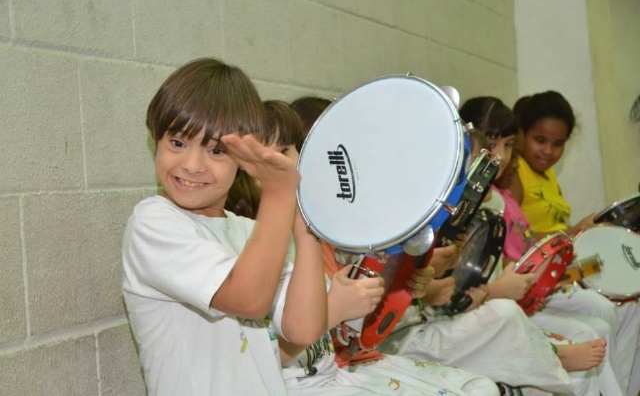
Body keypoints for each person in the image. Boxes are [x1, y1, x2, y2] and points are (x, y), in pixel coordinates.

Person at [291, 96, 606, 395]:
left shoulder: (376, 221)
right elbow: (355, 321)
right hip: (378, 345)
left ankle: (549, 360)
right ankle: (551, 360)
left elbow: (410, 296)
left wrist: (422, 280)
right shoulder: (331, 233)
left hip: (395, 333)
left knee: (578, 322)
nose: (498, 157)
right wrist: (427, 284)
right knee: (505, 323)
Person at [227, 99, 501, 395]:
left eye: (285, 151)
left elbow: (362, 317)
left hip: (344, 362)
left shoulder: (322, 227)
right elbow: (260, 352)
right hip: (303, 378)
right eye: (264, 157)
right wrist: (339, 309)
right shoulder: (249, 238)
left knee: (480, 387)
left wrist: (409, 287)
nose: (278, 164)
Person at [121, 58, 328, 396]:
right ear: (155, 140)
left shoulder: (251, 232)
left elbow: (304, 329)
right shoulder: (153, 222)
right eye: (177, 143)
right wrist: (278, 196)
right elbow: (248, 300)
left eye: (216, 150)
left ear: (245, 160)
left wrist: (302, 220)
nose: (191, 165)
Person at [460, 96, 626, 395]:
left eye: (508, 145)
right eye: (491, 143)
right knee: (596, 317)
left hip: (536, 274)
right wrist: (573, 234)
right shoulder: (483, 197)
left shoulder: (505, 196)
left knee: (608, 280)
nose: (501, 157)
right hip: (513, 287)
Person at [508, 91, 640, 396]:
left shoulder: (548, 176)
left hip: (569, 261)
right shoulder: (518, 175)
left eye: (558, 144)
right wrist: (575, 231)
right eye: (540, 140)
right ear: (522, 135)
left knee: (632, 291)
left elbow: (556, 229)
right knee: (610, 303)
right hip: (545, 272)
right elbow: (519, 241)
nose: (548, 151)